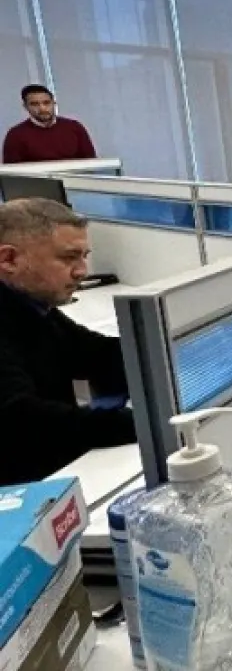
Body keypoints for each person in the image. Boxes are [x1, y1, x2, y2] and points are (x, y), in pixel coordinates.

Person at [0, 199, 135, 486]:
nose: (82, 271)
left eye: (84, 257)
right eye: (68, 258)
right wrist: (142, 423)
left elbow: (96, 355)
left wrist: (170, 356)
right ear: (9, 260)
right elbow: (24, 421)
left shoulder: (32, 306)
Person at [4, 84, 98, 164]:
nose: (42, 108)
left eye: (46, 103)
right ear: (25, 107)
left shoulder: (74, 127)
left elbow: (91, 162)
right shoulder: (15, 135)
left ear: (54, 103)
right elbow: (12, 173)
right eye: (34, 104)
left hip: (75, 179)